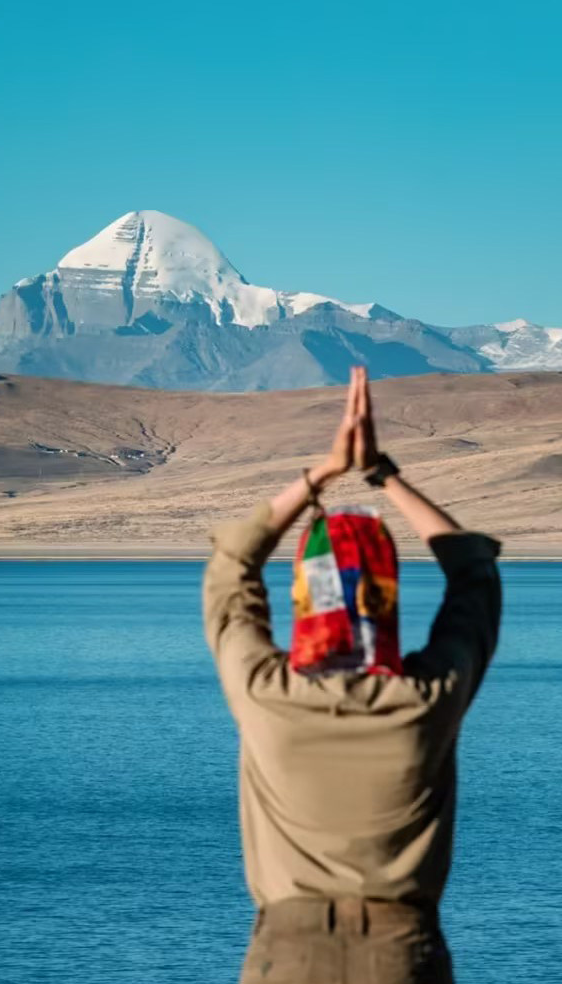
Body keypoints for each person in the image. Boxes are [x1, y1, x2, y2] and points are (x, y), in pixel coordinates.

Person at [203, 366, 502, 984]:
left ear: (303, 599)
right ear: (386, 598)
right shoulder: (424, 700)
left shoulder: (266, 695)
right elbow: (475, 579)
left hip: (288, 957)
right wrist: (382, 473)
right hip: (402, 955)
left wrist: (323, 471)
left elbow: (232, 566)